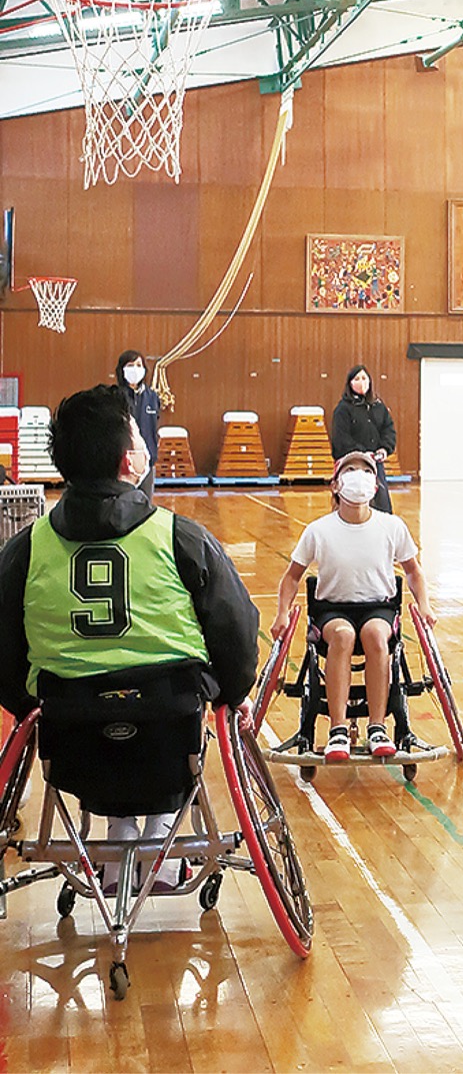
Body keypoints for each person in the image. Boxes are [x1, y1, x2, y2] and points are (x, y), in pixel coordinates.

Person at [0, 385, 259, 889]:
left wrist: (26, 700)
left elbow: (3, 656)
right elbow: (235, 631)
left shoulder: (24, 551)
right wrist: (234, 693)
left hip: (73, 742)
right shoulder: (180, 537)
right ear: (127, 460)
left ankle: (119, 840)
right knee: (171, 718)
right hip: (170, 727)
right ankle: (161, 842)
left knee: (97, 733)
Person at [271, 451, 435, 762]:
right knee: (344, 636)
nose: (357, 475)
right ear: (335, 485)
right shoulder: (319, 530)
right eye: (350, 469)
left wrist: (424, 605)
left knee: (375, 635)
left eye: (365, 470)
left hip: (379, 608)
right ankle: (338, 730)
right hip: (333, 611)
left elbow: (413, 571)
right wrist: (281, 613)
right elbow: (292, 577)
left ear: (375, 486)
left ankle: (377, 727)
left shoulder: (392, 526)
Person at [330, 365, 396, 513]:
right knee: (353, 505)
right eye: (357, 379)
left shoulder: (378, 406)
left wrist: (385, 448)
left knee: (382, 505)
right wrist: (360, 453)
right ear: (350, 383)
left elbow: (388, 429)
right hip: (351, 465)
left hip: (375, 464)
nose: (362, 382)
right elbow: (340, 438)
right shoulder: (343, 409)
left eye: (364, 378)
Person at [116, 349, 160, 501]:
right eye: (130, 365)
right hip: (123, 463)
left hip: (147, 463)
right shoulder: (116, 396)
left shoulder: (152, 397)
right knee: (124, 504)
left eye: (138, 365)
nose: (135, 369)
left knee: (145, 504)